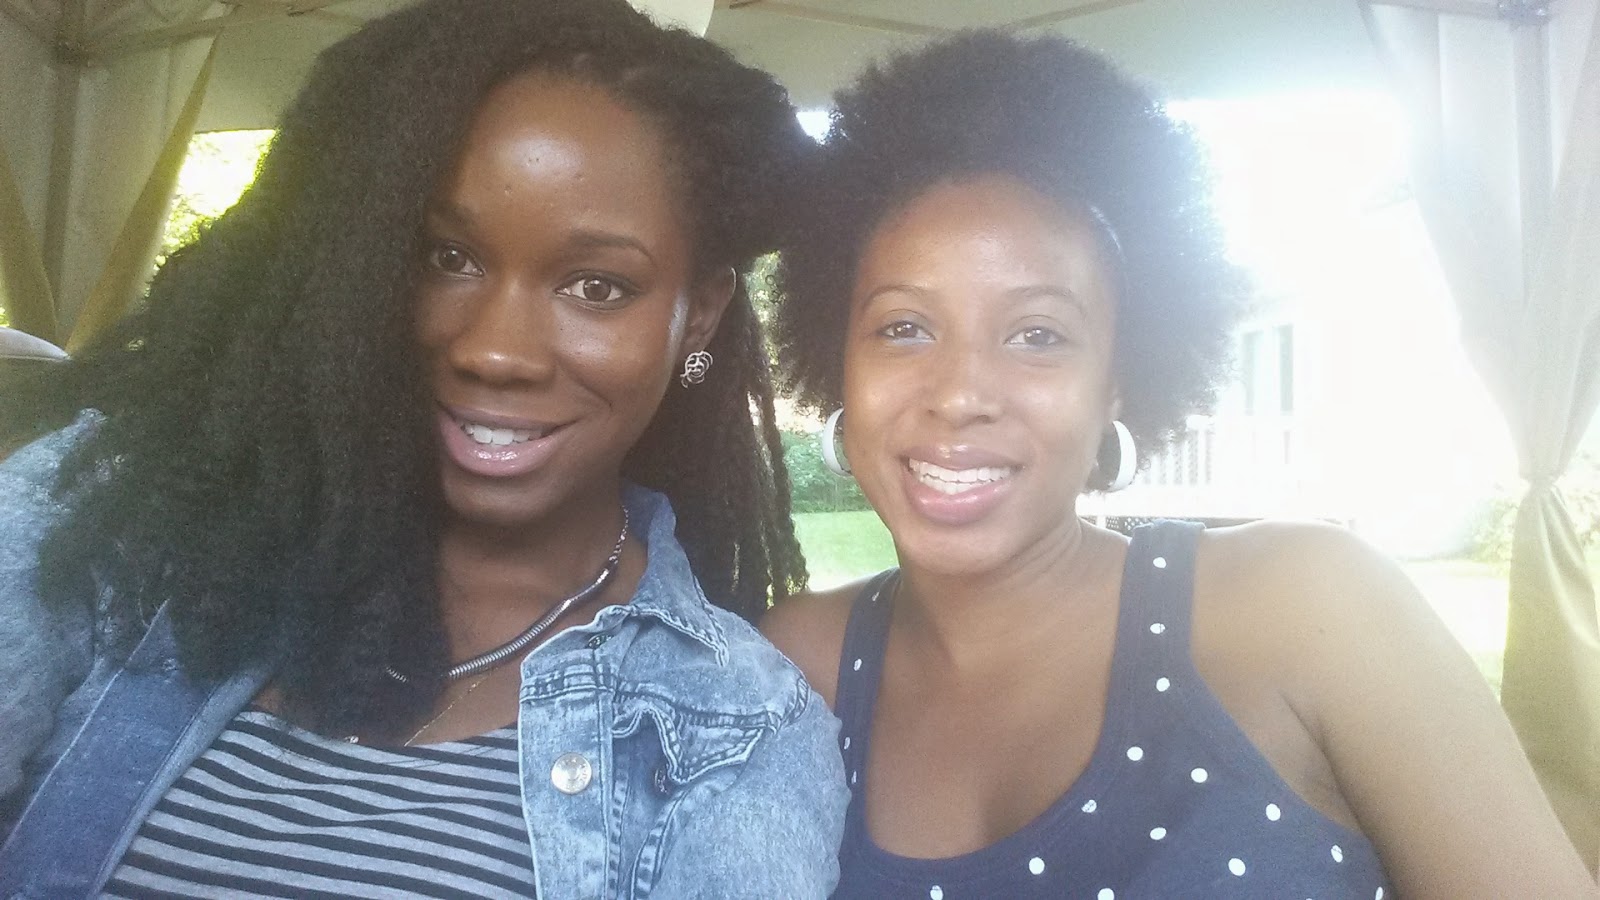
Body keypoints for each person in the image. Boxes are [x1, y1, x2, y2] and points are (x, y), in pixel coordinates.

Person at [0, 0, 848, 895]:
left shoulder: (740, 731)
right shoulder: (119, 525)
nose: (495, 351)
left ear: (698, 317)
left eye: (597, 286)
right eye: (448, 257)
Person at [765, 31, 1597, 899]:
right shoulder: (797, 666)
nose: (960, 394)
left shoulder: (1308, 610)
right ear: (838, 358)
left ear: (1118, 382)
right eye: (903, 327)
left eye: (1038, 335)